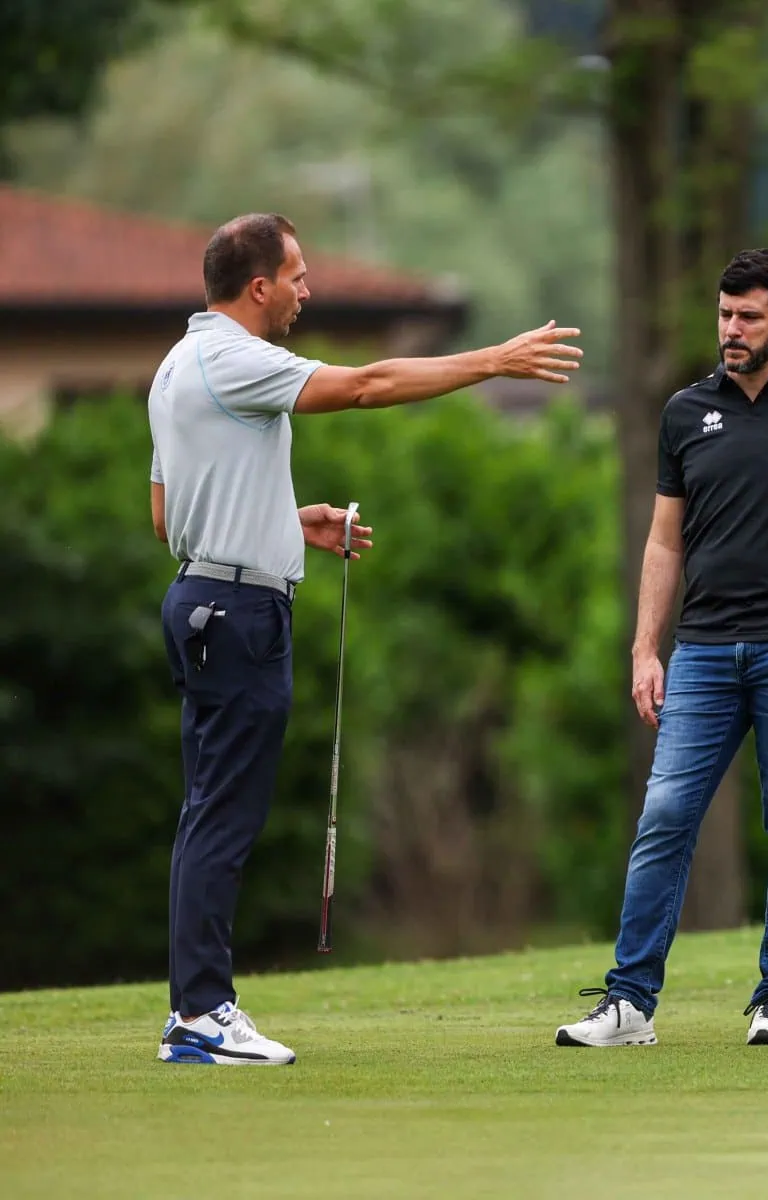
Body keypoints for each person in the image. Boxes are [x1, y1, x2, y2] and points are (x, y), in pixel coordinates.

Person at [151, 213, 582, 1065]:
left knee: (209, 813)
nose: (307, 289)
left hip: (204, 598)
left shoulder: (176, 363)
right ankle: (201, 1015)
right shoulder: (235, 356)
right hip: (237, 615)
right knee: (223, 819)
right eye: (297, 275)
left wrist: (287, 520)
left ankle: (195, 1012)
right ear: (258, 286)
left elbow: (167, 515)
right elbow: (367, 385)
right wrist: (492, 361)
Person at [555, 248, 768, 1049]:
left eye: (748, 316)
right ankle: (629, 1004)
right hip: (705, 649)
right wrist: (647, 649)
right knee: (665, 816)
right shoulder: (685, 411)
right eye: (724, 315)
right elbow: (664, 542)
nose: (732, 330)